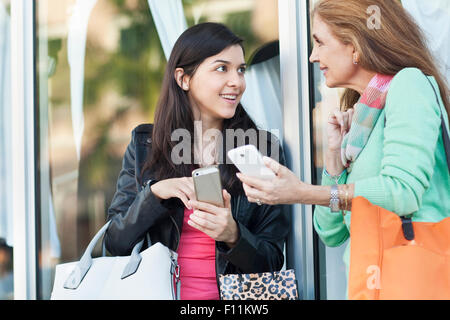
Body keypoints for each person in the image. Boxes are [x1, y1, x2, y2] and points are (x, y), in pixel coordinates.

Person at [237, 0, 450, 296]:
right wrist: (334, 162)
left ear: (355, 45)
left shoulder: (409, 84)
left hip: (413, 282)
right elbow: (332, 232)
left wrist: (302, 192)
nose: (313, 56)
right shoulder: (364, 119)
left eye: (320, 43)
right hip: (371, 283)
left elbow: (403, 191)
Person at [104, 22, 289, 300]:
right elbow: (114, 243)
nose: (237, 82)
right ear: (183, 78)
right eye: (221, 68)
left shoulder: (262, 149)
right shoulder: (145, 145)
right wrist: (154, 195)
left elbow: (273, 261)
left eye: (241, 70)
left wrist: (233, 235)